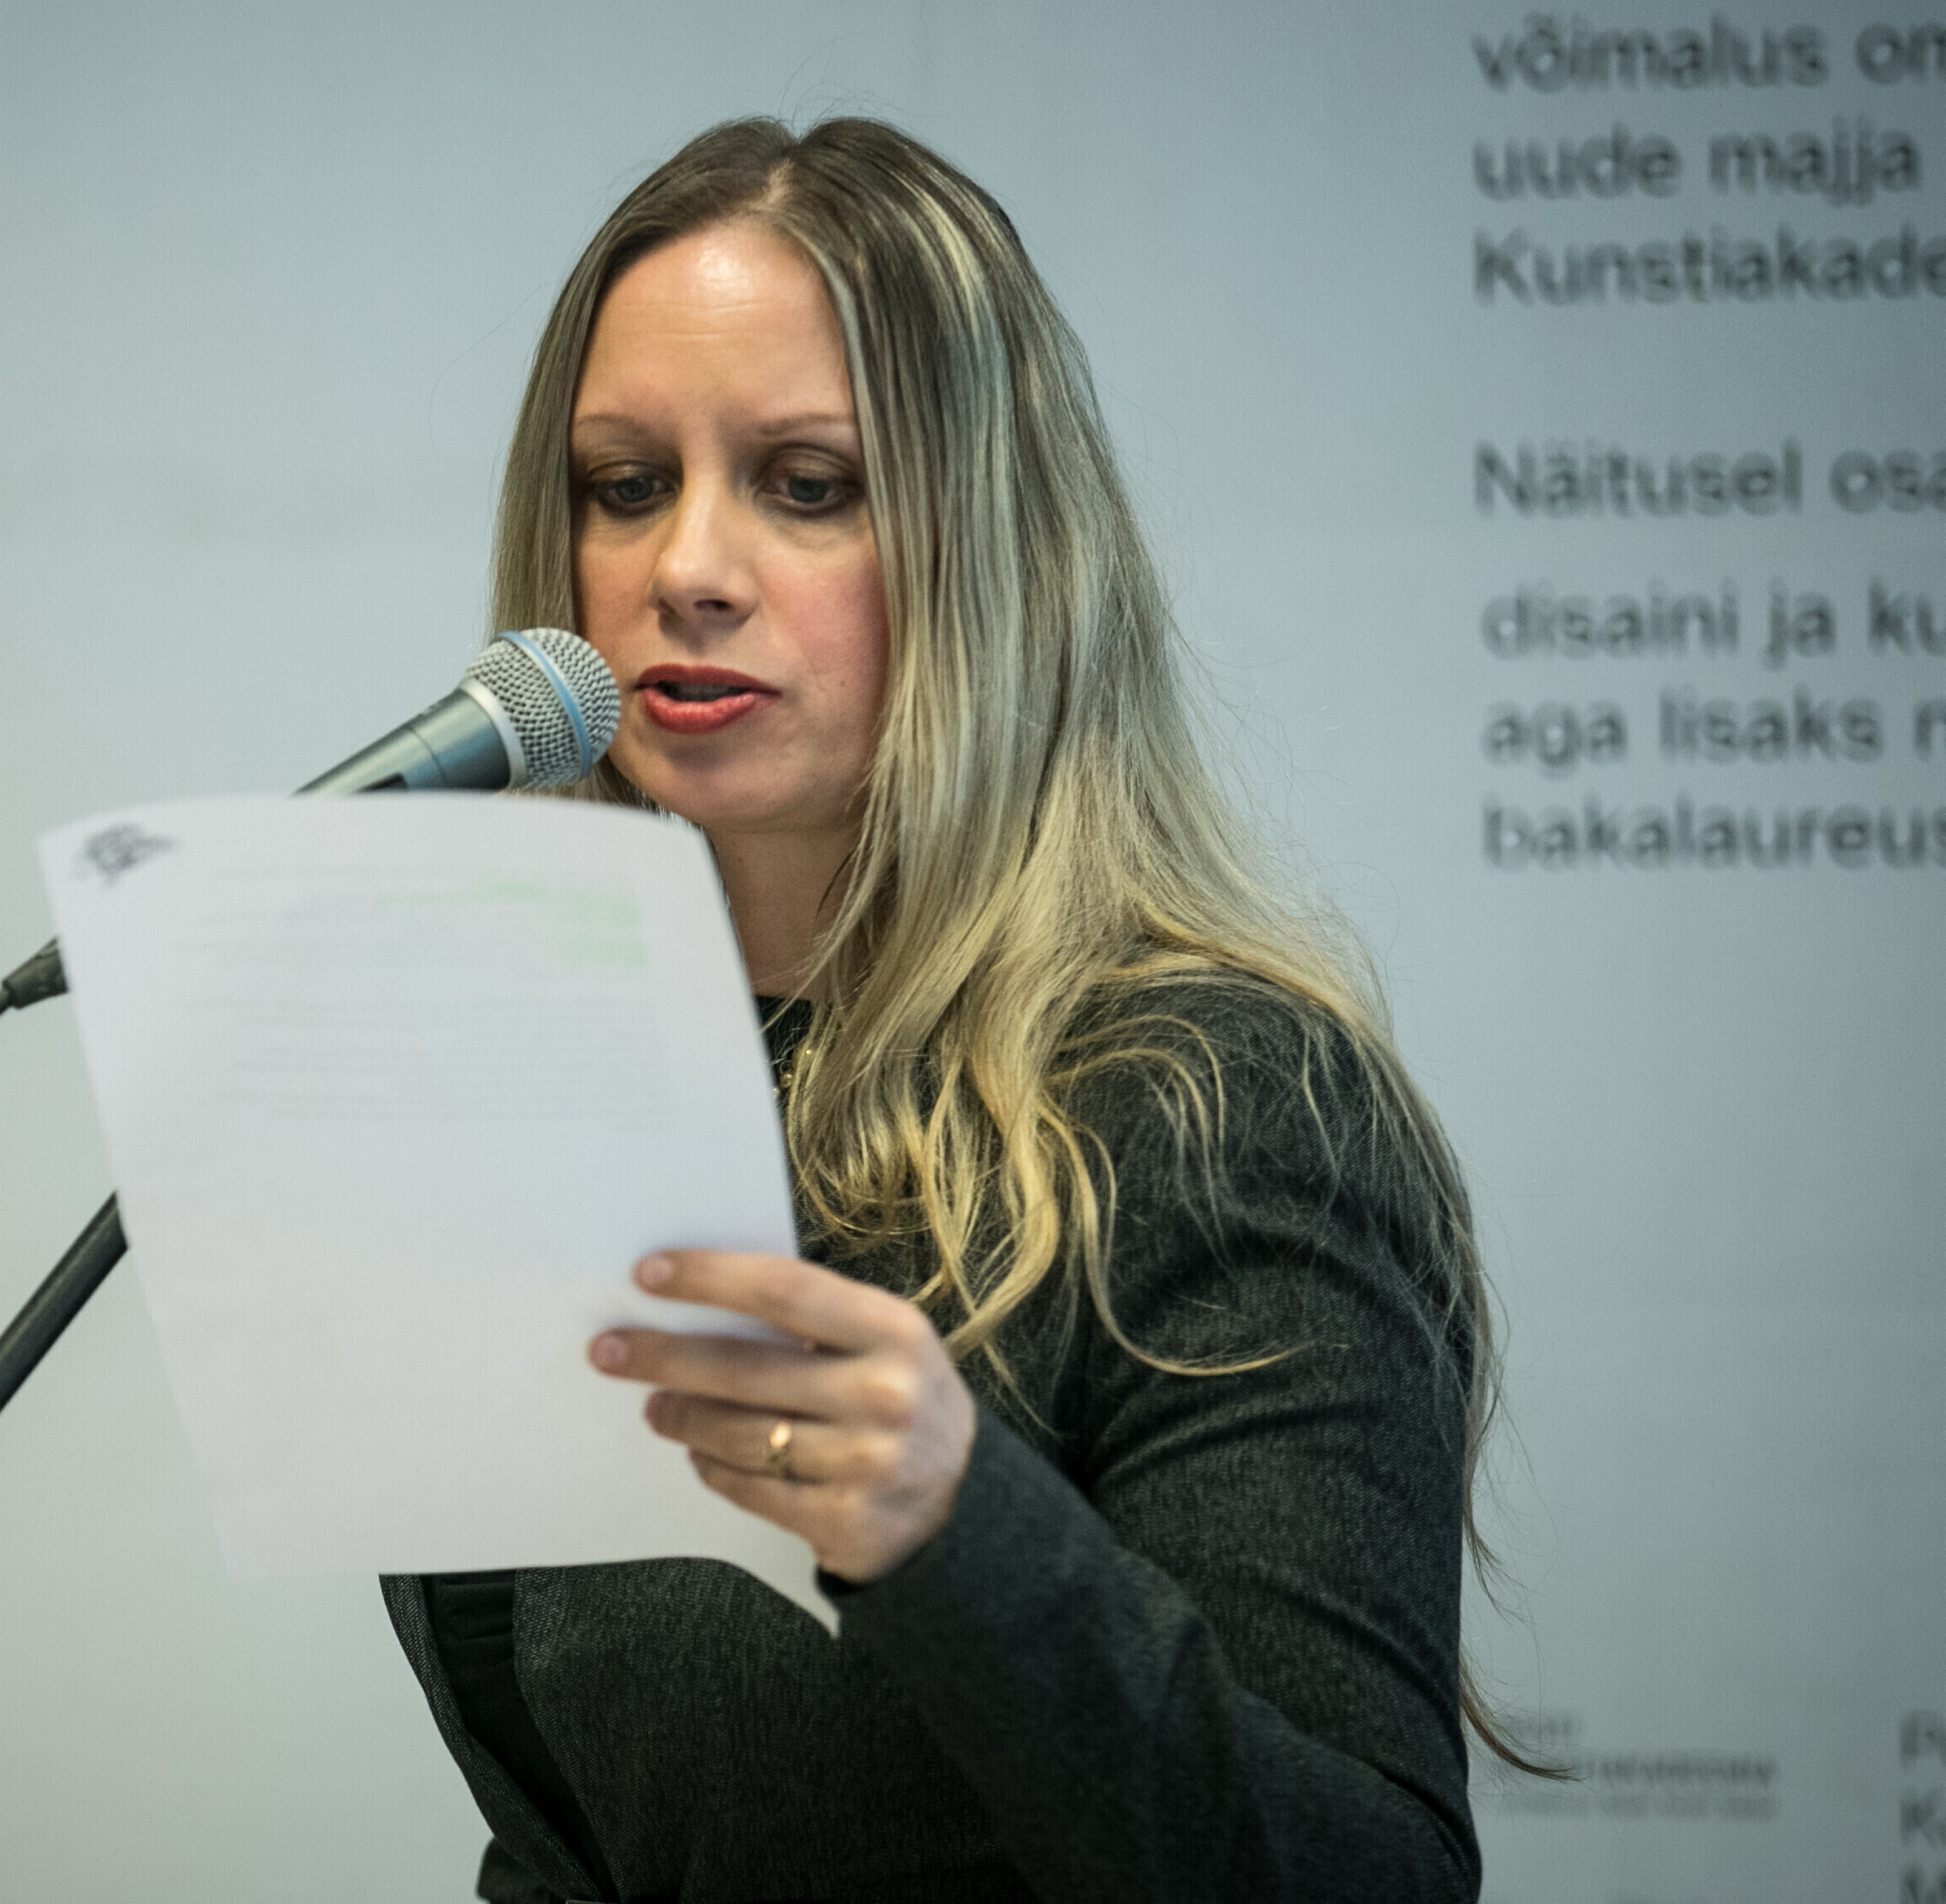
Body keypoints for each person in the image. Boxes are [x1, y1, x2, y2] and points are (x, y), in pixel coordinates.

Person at [381, 117, 1534, 1903]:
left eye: (806, 483)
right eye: (625, 482)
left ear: (987, 544)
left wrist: (956, 1529)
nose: (688, 565)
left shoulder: (1223, 1106)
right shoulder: (578, 1099)